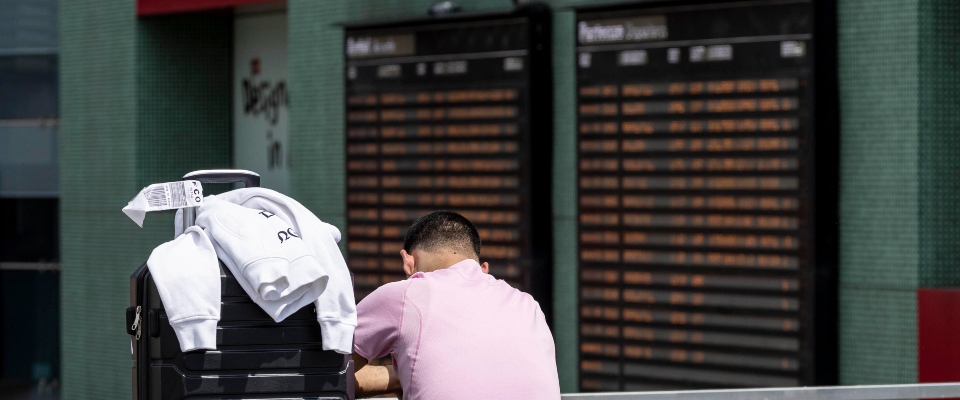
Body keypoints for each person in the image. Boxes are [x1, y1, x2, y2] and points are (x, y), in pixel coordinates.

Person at [351, 210, 561, 399]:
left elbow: (327, 371)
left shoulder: (407, 295)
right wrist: (400, 376)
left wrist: (394, 377)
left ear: (408, 262)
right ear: (483, 269)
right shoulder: (529, 306)